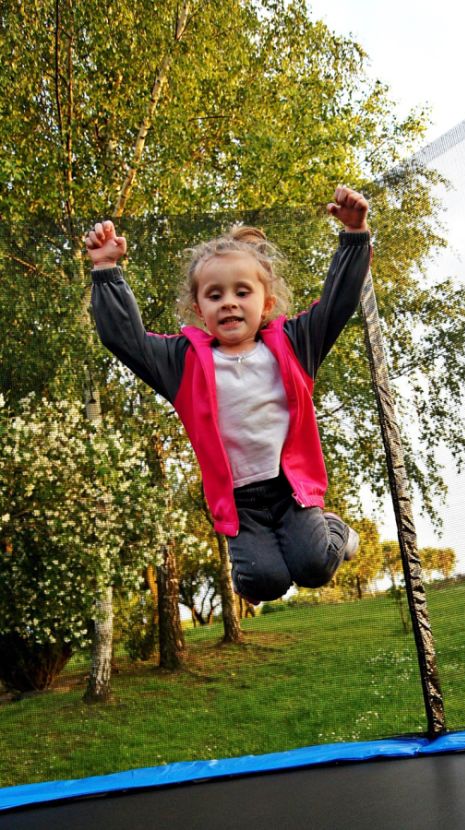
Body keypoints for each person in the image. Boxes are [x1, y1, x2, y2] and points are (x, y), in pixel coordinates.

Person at [86, 186, 371, 604]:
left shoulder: (293, 345)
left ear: (266, 301)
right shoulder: (183, 363)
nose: (229, 304)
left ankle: (336, 531)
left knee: (313, 565)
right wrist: (106, 269)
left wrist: (354, 235)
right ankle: (255, 569)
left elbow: (336, 304)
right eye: (215, 295)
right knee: (263, 583)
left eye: (242, 292)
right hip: (241, 503)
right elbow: (125, 339)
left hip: (290, 490)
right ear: (200, 310)